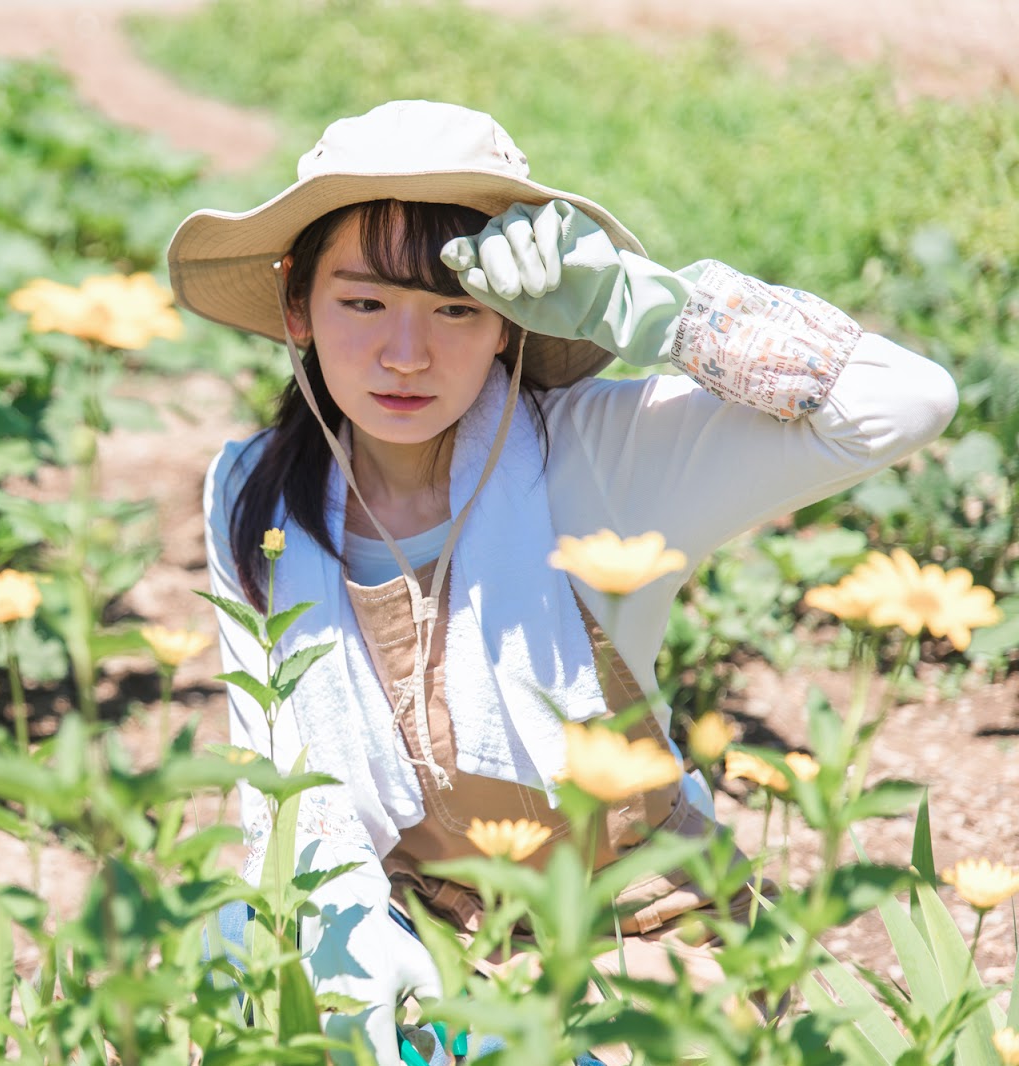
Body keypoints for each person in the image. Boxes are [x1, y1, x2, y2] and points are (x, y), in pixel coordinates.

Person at [166, 99, 958, 1064]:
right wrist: (344, 928)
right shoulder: (255, 494)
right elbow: (279, 778)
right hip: (418, 922)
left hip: (633, 932)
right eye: (364, 302)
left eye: (456, 307)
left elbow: (906, 402)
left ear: (509, 322)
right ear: (298, 305)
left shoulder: (595, 459)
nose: (405, 354)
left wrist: (647, 305)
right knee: (236, 950)